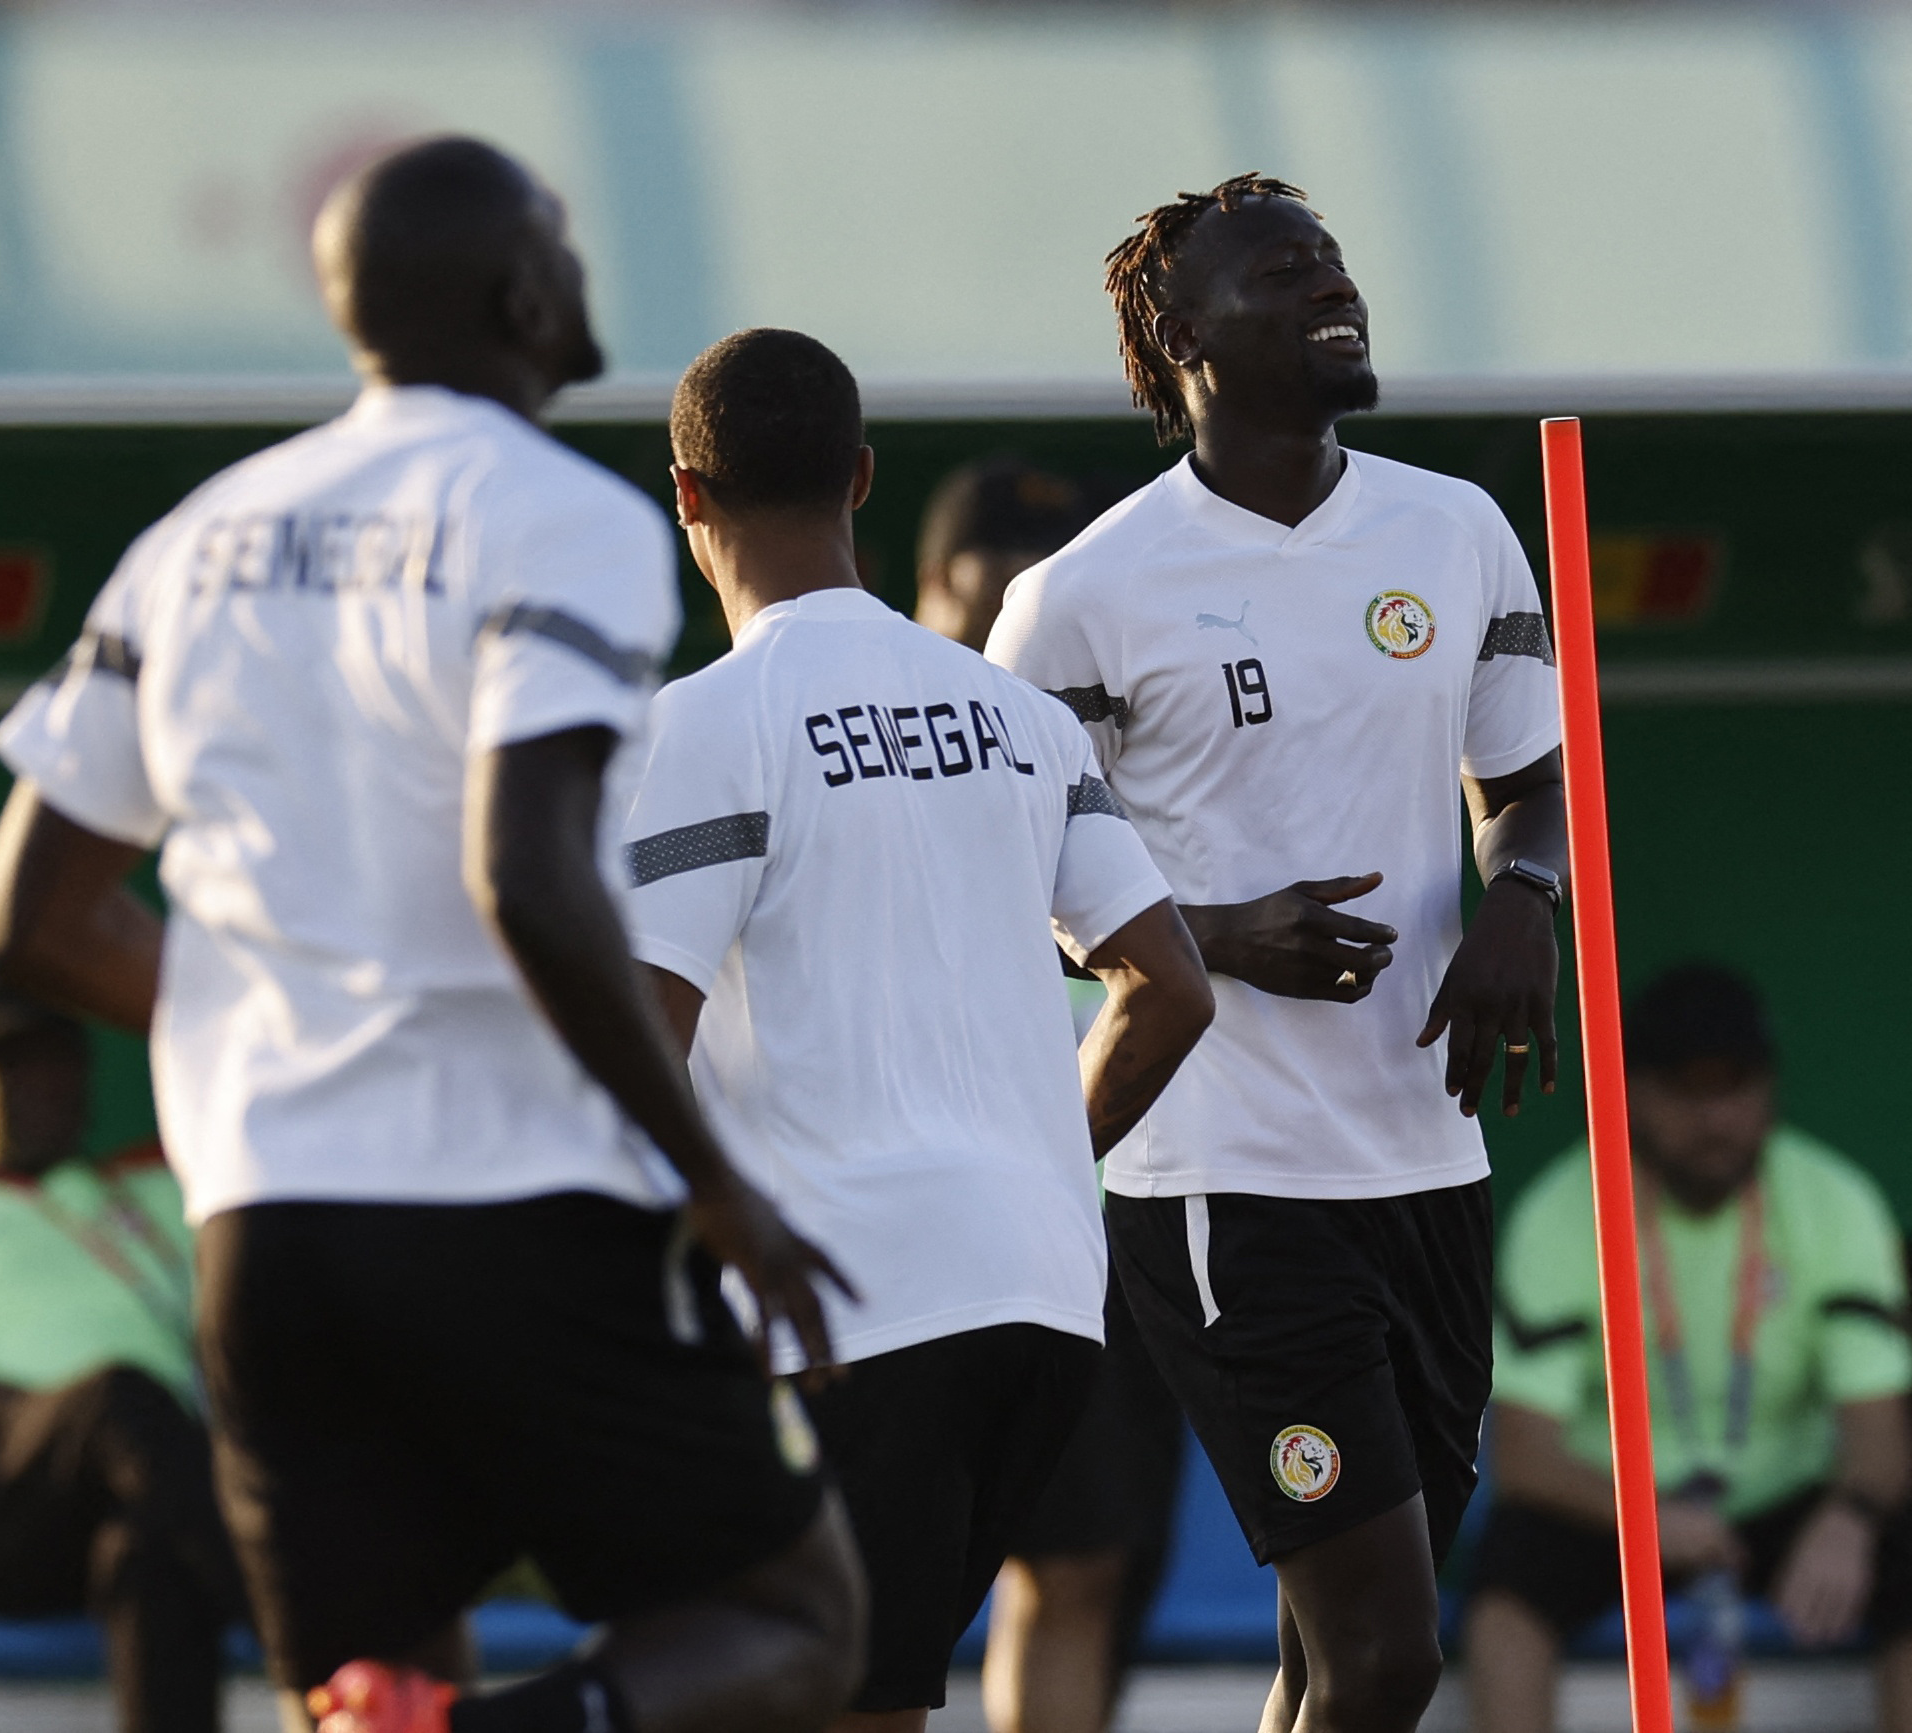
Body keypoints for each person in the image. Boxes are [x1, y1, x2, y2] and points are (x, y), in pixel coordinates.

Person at [0, 136, 865, 1733]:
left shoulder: (196, 540)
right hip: (511, 1198)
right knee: (792, 1620)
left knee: (367, 1689)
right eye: (563, 245)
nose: (580, 270)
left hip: (268, 1227)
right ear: (521, 295)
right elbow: (525, 873)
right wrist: (716, 1181)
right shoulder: (561, 517)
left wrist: (272, 1021)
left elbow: (25, 916)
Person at [986, 173, 1570, 1733]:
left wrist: (1523, 899)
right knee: (1387, 1658)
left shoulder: (1454, 530)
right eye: (1282, 270)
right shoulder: (1078, 597)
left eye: (1333, 260)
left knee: (1329, 1662)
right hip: (1223, 1183)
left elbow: (1528, 784)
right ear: (1183, 336)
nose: (1332, 286)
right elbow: (998, 880)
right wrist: (1219, 937)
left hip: (1428, 1163)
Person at [621, 327, 1213, 1733]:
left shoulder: (701, 725)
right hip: (1043, 1302)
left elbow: (638, 1040)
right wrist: (1031, 1160)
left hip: (846, 1306)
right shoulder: (1022, 720)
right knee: (861, 1693)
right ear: (862, 478)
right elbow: (1170, 987)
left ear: (686, 496)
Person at [913, 457, 1193, 1733]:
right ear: (930, 589)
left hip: (1097, 1201)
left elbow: (1170, 983)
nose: (1010, 630)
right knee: (876, 1575)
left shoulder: (1095, 748)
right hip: (905, 1206)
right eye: (987, 596)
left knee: (1081, 1562)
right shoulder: (869, 741)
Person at [1466, 963, 1912, 1733]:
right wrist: (1645, 1516)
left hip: (1785, 1494)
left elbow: (1878, 1430)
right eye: (1684, 1088)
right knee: (1504, 1591)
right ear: (1629, 1092)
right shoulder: (1561, 1213)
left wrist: (1850, 1516)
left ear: (1769, 1089)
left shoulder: (1834, 1201)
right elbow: (1526, 1455)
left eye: (1736, 1085)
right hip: (1613, 1502)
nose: (1714, 1117)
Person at [0, 970, 245, 1733]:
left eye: (57, 1056)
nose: (41, 1081)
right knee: (116, 1397)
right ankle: (298, 1617)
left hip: (147, 1490)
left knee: (147, 1556)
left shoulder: (156, 1196)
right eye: (11, 1062)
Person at [911, 456, 1091, 653]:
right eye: (1001, 577)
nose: (1023, 592)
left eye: (1043, 572)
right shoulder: (893, 665)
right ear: (939, 578)